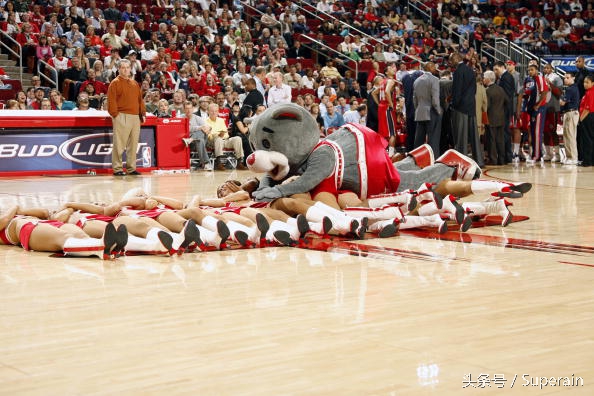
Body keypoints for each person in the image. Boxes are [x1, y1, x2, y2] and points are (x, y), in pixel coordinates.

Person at [107, 59, 146, 176]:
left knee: (133, 145)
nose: (125, 69)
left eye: (127, 67)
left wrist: (142, 113)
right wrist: (116, 115)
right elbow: (111, 101)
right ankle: (118, 168)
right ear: (119, 69)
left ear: (130, 69)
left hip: (135, 117)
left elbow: (140, 100)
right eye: (123, 67)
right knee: (119, 144)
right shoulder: (115, 83)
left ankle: (131, 168)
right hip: (121, 116)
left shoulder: (135, 84)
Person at [450, 52, 484, 167]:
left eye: (451, 60)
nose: (450, 62)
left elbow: (457, 91)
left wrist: (454, 104)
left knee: (461, 137)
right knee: (474, 136)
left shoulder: (458, 71)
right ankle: (479, 160)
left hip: (461, 108)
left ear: (456, 59)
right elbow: (473, 89)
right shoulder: (470, 70)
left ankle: (461, 162)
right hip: (471, 106)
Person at [205, 103, 248, 171]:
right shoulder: (205, 121)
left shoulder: (221, 120)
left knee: (237, 138)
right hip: (212, 142)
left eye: (216, 111)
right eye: (212, 111)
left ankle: (239, 162)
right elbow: (208, 135)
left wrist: (222, 135)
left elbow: (226, 134)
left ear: (218, 112)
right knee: (217, 138)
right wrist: (218, 134)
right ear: (208, 111)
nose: (214, 113)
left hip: (224, 139)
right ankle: (219, 162)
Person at [413, 62, 442, 157]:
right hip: (431, 111)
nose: (435, 68)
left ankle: (417, 159)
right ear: (431, 68)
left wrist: (417, 109)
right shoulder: (434, 79)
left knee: (419, 140)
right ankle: (434, 160)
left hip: (419, 112)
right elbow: (435, 99)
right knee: (433, 139)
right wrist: (438, 110)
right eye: (434, 66)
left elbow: (415, 99)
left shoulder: (416, 80)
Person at [484, 71, 509, 165]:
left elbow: (487, 106)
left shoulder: (487, 91)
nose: (483, 79)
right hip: (501, 118)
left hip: (491, 119)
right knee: (500, 140)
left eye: (484, 77)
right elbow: (507, 101)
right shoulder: (501, 89)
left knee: (492, 140)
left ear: (488, 79)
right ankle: (501, 160)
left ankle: (493, 160)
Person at [181, 100, 212, 170]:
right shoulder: (180, 118)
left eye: (190, 108)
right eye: (186, 108)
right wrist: (199, 128)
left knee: (202, 132)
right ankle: (206, 163)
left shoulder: (198, 118)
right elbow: (184, 129)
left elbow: (207, 128)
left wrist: (207, 128)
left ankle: (190, 139)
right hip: (187, 143)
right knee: (200, 139)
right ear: (183, 109)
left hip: (191, 141)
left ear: (193, 109)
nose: (188, 110)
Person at [560, 72, 580, 165]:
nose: (565, 79)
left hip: (571, 113)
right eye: (565, 78)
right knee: (567, 136)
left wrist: (561, 100)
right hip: (569, 113)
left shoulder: (571, 89)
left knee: (570, 136)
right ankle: (569, 157)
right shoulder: (570, 88)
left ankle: (573, 157)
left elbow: (562, 102)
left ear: (573, 78)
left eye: (568, 78)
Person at [578, 75, 594, 167]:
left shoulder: (590, 93)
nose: (585, 84)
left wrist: (580, 119)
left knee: (587, 139)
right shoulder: (588, 92)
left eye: (587, 82)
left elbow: (587, 108)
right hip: (590, 117)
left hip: (588, 117)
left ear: (593, 83)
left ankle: (587, 161)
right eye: (584, 82)